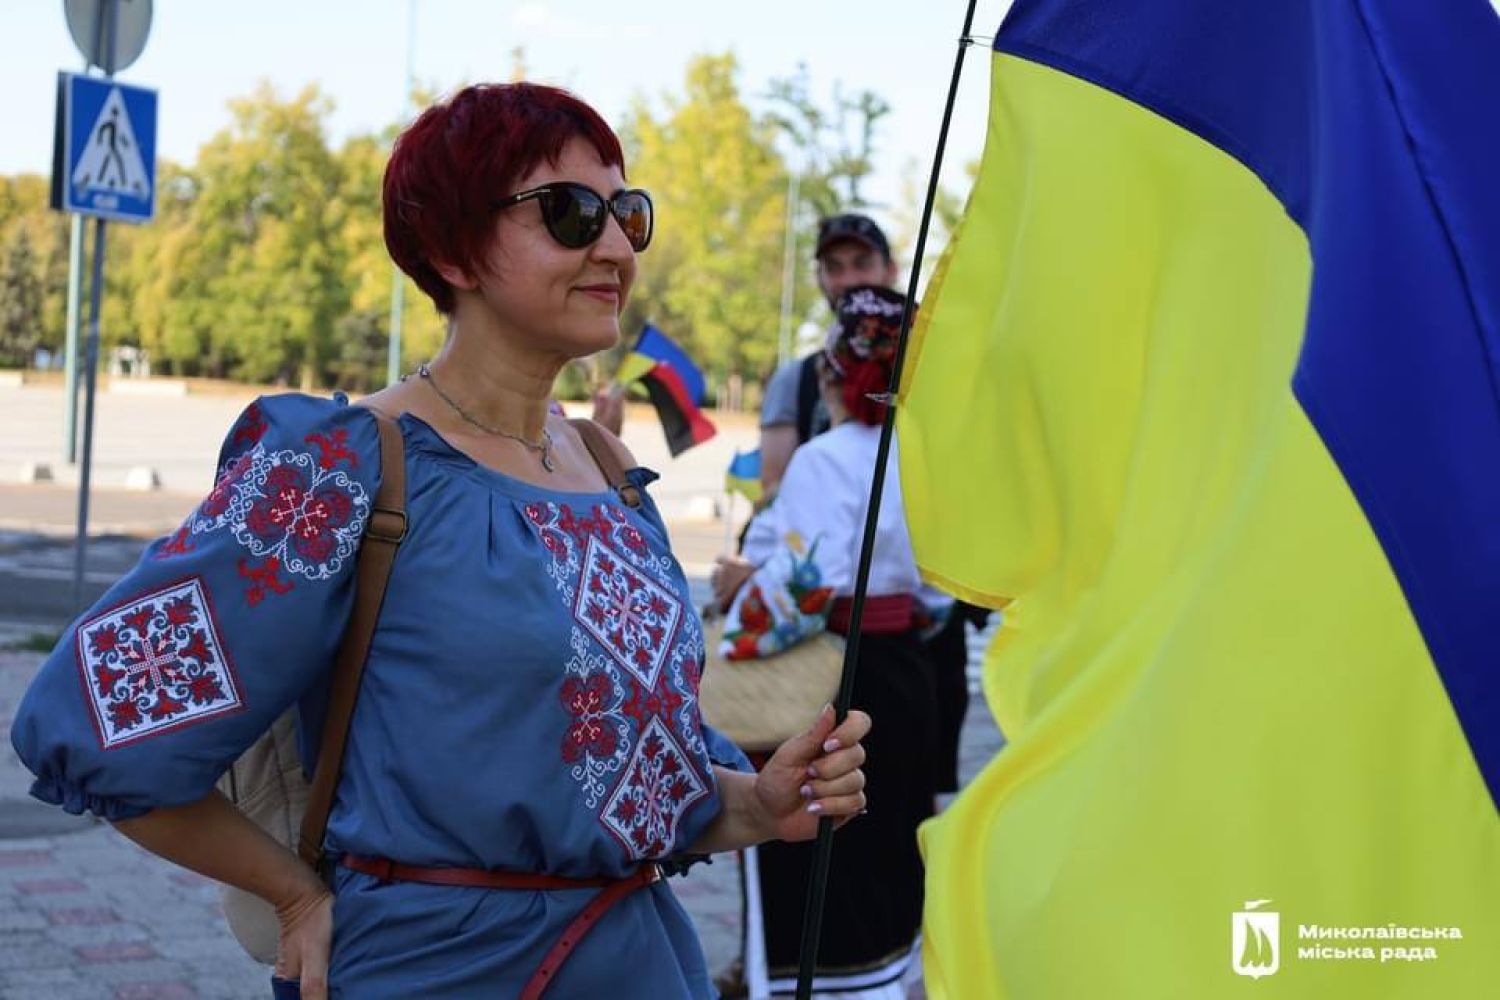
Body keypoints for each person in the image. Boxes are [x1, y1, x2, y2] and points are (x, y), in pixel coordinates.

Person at [10, 82, 874, 1000]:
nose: (617, 247)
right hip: (434, 972)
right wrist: (294, 896)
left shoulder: (607, 467)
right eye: (573, 213)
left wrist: (759, 803)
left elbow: (633, 769)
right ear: (453, 245)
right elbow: (93, 721)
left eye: (628, 213)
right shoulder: (340, 466)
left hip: (640, 964)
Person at [713, 286, 936, 998]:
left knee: (819, 855)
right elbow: (938, 592)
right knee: (892, 842)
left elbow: (805, 589)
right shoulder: (930, 457)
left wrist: (736, 616)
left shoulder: (824, 458)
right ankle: (891, 978)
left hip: (827, 682)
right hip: (908, 671)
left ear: (834, 373)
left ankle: (820, 985)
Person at [757, 213, 898, 500]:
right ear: (819, 277)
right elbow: (773, 493)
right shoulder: (796, 379)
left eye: (862, 263)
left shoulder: (929, 367)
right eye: (834, 267)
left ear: (890, 270)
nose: (848, 281)